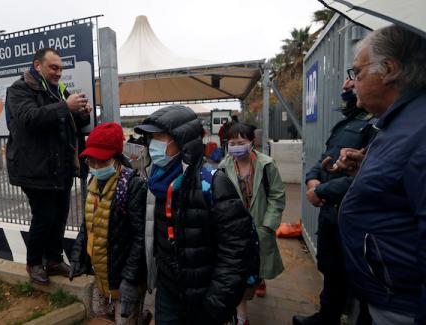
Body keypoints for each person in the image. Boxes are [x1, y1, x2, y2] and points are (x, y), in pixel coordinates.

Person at [335, 25, 426, 325]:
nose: (351, 82)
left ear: (388, 70)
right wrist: (366, 166)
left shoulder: (419, 130)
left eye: (357, 72)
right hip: (386, 295)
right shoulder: (399, 123)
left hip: (403, 307)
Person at [134, 105, 256, 325]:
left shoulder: (212, 183)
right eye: (151, 138)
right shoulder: (153, 182)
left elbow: (236, 248)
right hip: (168, 292)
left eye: (160, 137)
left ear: (182, 141)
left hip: (205, 297)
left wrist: (217, 301)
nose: (153, 145)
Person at [292, 78, 377, 325]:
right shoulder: (346, 125)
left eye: (356, 77)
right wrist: (312, 182)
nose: (346, 85)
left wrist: (323, 191)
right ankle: (327, 317)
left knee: (361, 279)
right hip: (331, 215)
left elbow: (368, 174)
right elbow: (324, 159)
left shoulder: (378, 126)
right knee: (331, 269)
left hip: (356, 218)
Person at [6, 48, 91, 284]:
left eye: (61, 68)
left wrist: (82, 113)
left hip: (60, 168)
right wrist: (66, 107)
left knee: (60, 216)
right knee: (43, 217)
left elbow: (70, 120)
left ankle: (53, 260)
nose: (58, 72)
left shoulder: (58, 90)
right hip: (35, 168)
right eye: (54, 67)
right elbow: (28, 119)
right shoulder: (19, 89)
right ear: (37, 65)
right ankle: (34, 263)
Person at [68, 122, 147, 324]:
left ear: (116, 158)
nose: (95, 167)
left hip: (125, 278)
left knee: (124, 320)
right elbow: (88, 225)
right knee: (101, 314)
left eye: (101, 162)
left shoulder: (132, 185)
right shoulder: (92, 182)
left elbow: (140, 238)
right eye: (90, 162)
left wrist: (130, 280)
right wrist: (77, 256)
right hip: (102, 275)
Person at [222, 122, 286, 325]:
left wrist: (268, 226)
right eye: (232, 142)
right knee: (239, 273)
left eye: (240, 142)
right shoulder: (224, 166)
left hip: (260, 225)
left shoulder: (267, 165)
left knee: (258, 266)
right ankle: (242, 317)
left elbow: (277, 196)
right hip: (235, 230)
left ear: (252, 142)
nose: (236, 146)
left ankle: (260, 278)